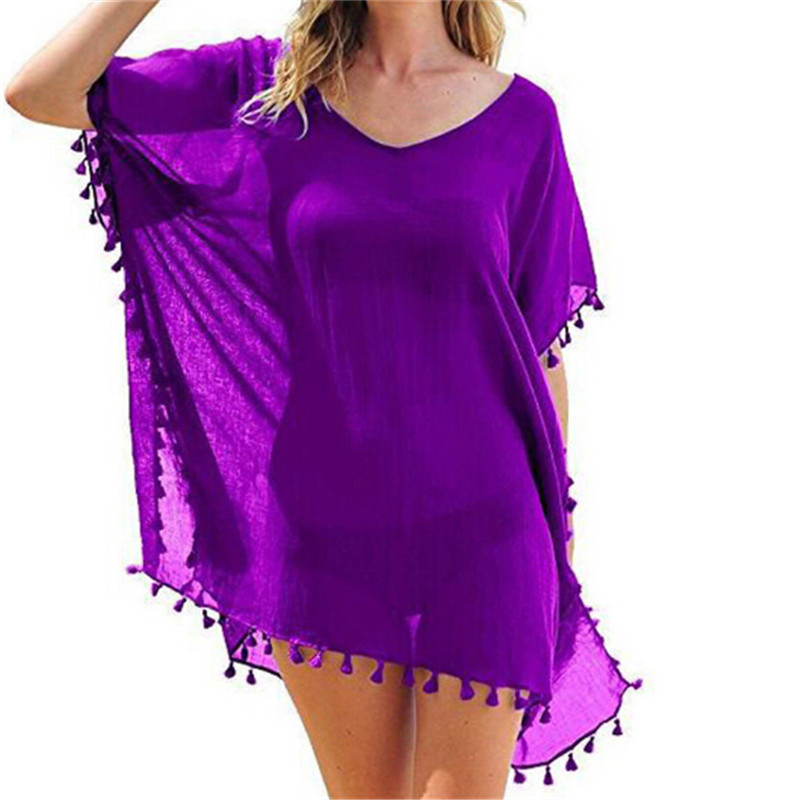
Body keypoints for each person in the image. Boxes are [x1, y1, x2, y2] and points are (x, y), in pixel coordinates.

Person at [6, 2, 640, 798]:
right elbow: (41, 91)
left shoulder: (523, 121)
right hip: (325, 535)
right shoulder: (264, 92)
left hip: (487, 530)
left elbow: (540, 350)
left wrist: (561, 538)